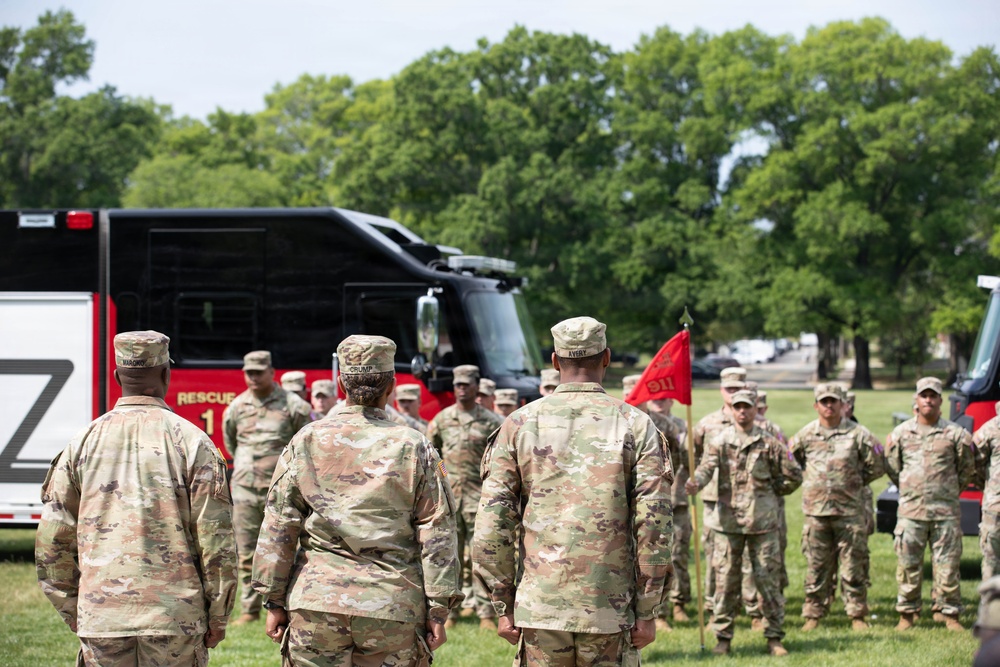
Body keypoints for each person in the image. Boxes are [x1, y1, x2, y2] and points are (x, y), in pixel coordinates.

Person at [474, 316, 674, 666]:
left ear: (554, 361)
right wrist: (648, 608)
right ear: (607, 358)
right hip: (609, 607)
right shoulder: (636, 424)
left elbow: (492, 523)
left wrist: (501, 604)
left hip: (541, 606)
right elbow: (654, 524)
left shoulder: (518, 424)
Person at [251, 335, 462, 666]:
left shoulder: (306, 440)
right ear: (391, 386)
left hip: (316, 603)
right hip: (391, 604)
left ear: (340, 384)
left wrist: (273, 600)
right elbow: (438, 529)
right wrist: (438, 606)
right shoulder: (414, 445)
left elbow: (279, 524)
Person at [36, 331, 237, 666]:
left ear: (117, 377)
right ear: (166, 374)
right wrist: (218, 615)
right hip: (175, 616)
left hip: (102, 616)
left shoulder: (82, 442)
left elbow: (52, 541)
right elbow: (216, 541)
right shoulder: (193, 442)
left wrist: (74, 608)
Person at [686, 389, 802, 656]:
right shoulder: (720, 440)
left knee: (768, 581)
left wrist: (774, 492)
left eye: (747, 407)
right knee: (726, 581)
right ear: (732, 409)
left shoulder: (770, 443)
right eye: (737, 406)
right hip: (728, 524)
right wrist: (696, 483)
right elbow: (706, 467)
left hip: (763, 523)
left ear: (755, 409)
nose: (742, 411)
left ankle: (774, 637)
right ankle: (723, 638)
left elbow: (794, 474)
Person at [223, 350, 311, 625]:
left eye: (258, 372)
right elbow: (230, 444)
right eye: (248, 373)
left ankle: (287, 603)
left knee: (287, 547)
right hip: (246, 489)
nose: (253, 377)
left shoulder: (293, 405)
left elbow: (304, 442)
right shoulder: (236, 407)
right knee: (247, 551)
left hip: (282, 491)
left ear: (271, 372)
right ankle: (249, 610)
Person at [788, 384, 884, 631]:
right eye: (824, 401)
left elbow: (877, 464)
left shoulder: (859, 434)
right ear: (816, 405)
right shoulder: (805, 435)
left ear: (843, 405)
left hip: (849, 512)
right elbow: (791, 462)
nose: (829, 406)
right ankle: (813, 614)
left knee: (854, 564)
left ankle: (857, 614)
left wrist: (856, 481)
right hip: (817, 512)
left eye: (834, 401)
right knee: (816, 566)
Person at [885, 376, 975, 631]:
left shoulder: (955, 434)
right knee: (908, 565)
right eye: (924, 395)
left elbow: (966, 469)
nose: (928, 400)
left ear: (940, 400)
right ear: (916, 399)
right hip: (911, 511)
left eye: (933, 395)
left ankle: (948, 613)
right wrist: (911, 489)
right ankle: (907, 613)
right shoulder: (901, 433)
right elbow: (893, 468)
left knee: (947, 564)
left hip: (945, 511)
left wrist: (946, 491)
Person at [427, 364, 504, 630]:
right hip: (449, 499)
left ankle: (485, 613)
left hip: (480, 498)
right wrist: (443, 475)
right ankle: (451, 613)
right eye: (458, 384)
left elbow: (500, 459)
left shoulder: (491, 421)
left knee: (481, 558)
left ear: (476, 387)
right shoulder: (442, 419)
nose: (462, 389)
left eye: (467, 384)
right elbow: (433, 455)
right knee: (451, 557)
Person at [692, 366, 747, 615]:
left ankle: (749, 606)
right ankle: (713, 605)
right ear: (721, 390)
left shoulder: (756, 424)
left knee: (748, 558)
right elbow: (691, 457)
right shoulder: (707, 424)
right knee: (716, 556)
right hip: (716, 501)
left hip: (749, 501)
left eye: (738, 388)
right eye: (729, 389)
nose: (733, 393)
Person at [974, 402, 1000, 580]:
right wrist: (991, 486)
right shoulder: (990, 429)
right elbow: (973, 465)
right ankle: (992, 607)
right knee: (992, 561)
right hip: (996, 509)